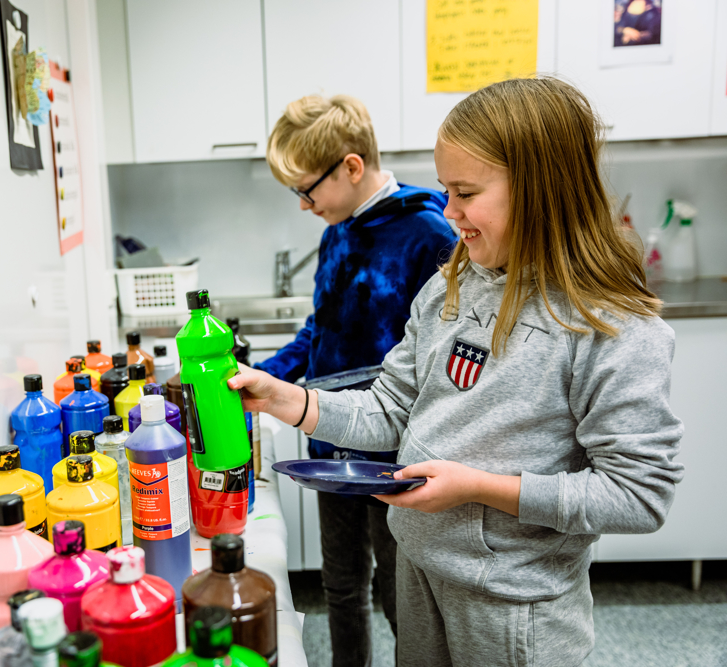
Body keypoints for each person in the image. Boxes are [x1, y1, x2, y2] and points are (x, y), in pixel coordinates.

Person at [233, 77, 684, 667]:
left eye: (465, 193)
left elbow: (639, 493)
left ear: (540, 191)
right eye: (446, 191)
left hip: (511, 608)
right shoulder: (452, 287)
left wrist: (477, 488)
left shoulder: (610, 326)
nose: (450, 215)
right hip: (422, 573)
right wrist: (284, 398)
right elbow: (391, 408)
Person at [255, 94, 457, 667]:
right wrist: (263, 378)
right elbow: (320, 329)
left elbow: (438, 360)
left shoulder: (428, 232)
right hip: (330, 442)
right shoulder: (336, 230)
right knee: (341, 587)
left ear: (349, 167)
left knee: (401, 597)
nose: (302, 205)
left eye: (306, 189)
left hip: (394, 453)